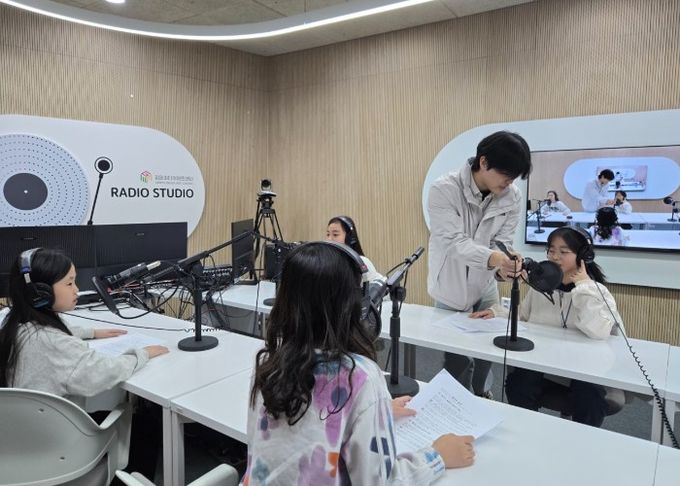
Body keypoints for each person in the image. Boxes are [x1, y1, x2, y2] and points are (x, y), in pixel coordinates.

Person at [243, 242, 475, 485]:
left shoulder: (269, 360)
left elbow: (302, 426)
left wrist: (371, 411)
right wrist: (437, 456)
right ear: (354, 305)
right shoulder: (361, 377)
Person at [470, 226, 625, 427]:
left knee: (590, 395)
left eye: (564, 251)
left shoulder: (595, 292)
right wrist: (497, 312)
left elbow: (598, 331)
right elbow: (523, 316)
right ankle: (526, 430)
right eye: (551, 251)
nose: (555, 257)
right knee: (519, 383)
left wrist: (584, 286)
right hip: (544, 364)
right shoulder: (541, 287)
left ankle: (584, 440)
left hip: (584, 369)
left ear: (583, 256)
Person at [427, 130, 532, 397]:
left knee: (488, 349)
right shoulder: (444, 189)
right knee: (456, 357)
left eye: (514, 178)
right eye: (506, 175)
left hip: (485, 285)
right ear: (483, 162)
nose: (509, 183)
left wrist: (506, 265)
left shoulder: (512, 196)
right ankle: (458, 400)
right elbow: (453, 243)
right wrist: (495, 259)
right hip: (451, 285)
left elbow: (502, 242)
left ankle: (482, 393)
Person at [0, 248, 168, 408]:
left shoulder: (15, 324)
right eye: (69, 283)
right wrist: (143, 353)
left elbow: (49, 336)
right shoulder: (55, 344)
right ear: (40, 293)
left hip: (25, 422)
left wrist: (91, 333)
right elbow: (102, 372)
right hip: (63, 426)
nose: (77, 289)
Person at [326, 215, 384, 282]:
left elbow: (379, 284)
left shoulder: (362, 262)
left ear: (349, 238)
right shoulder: (323, 262)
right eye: (328, 234)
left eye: (335, 234)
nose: (329, 239)